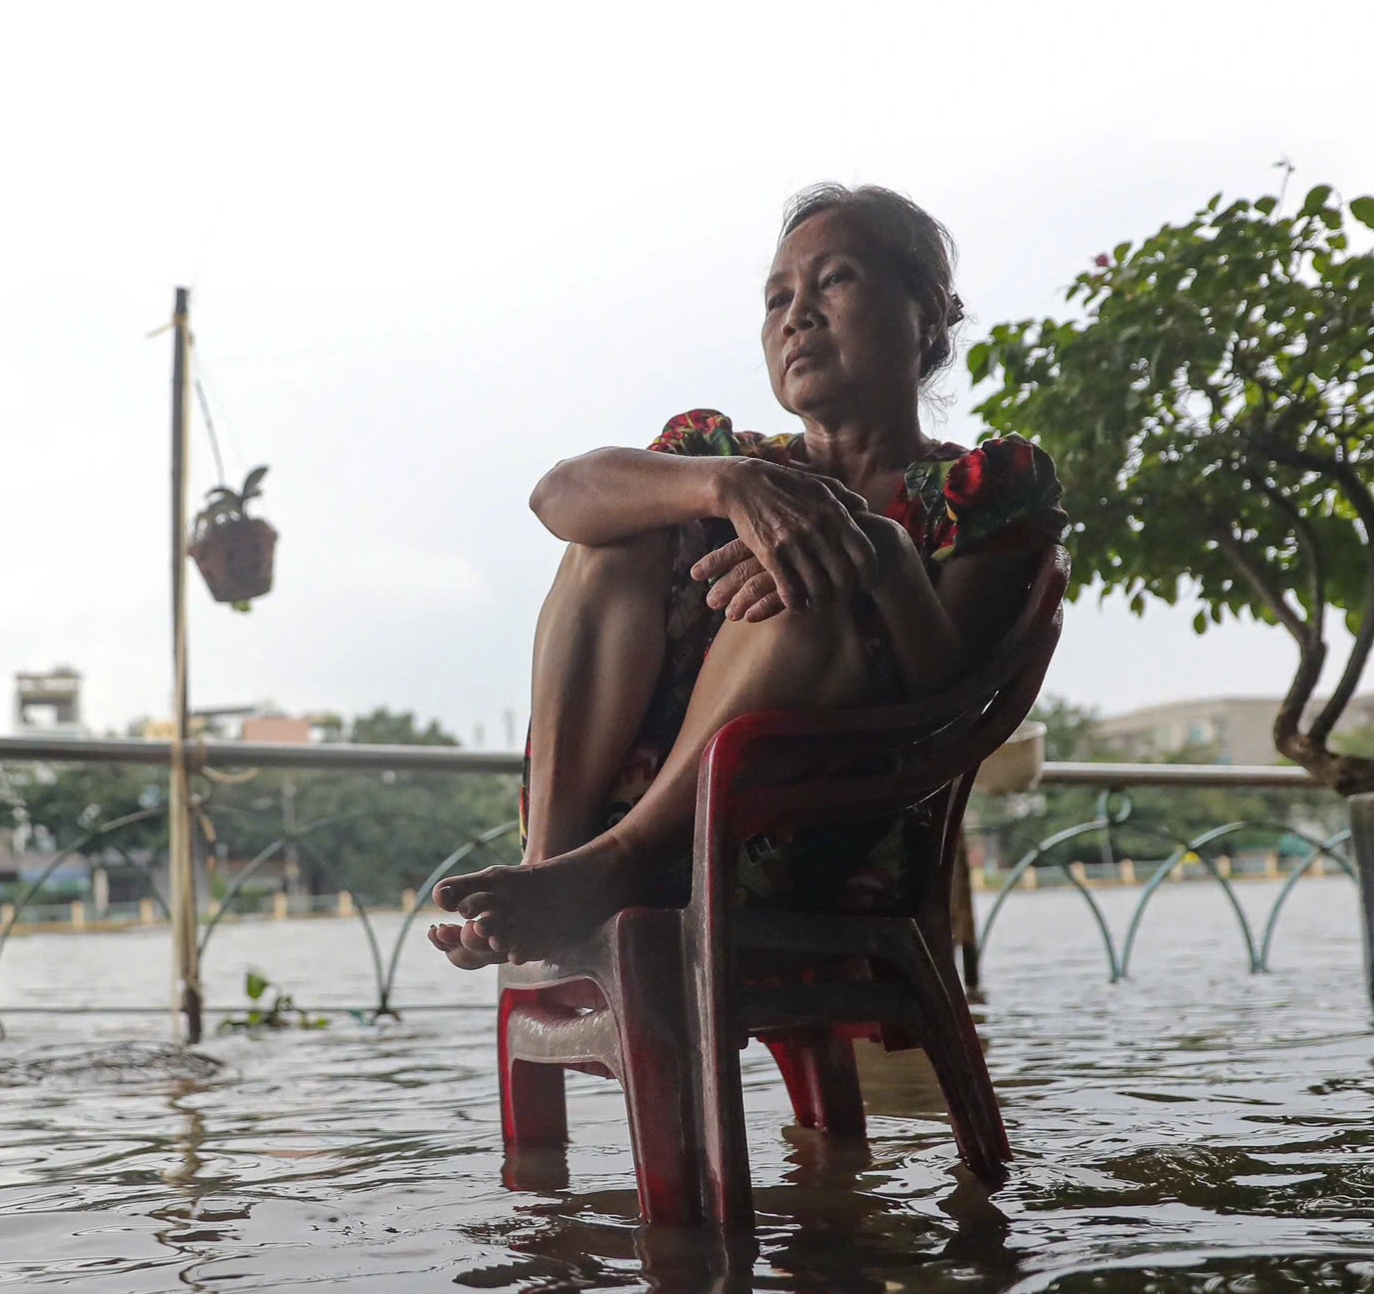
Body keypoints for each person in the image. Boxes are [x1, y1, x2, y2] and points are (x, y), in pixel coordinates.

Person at [430, 184, 1067, 969]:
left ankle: (601, 870)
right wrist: (725, 485)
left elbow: (954, 700)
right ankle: (552, 870)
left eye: (833, 279)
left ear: (926, 313)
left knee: (802, 585)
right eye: (776, 297)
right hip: (614, 821)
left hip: (818, 834)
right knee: (609, 540)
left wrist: (886, 559)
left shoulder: (983, 488)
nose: (796, 314)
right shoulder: (731, 462)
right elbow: (556, 495)